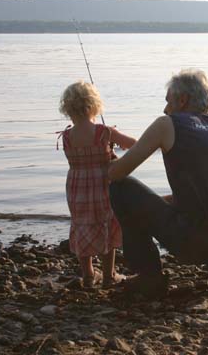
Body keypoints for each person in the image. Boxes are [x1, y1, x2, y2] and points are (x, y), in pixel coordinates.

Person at [108, 68, 208, 298]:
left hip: (198, 243)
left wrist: (109, 163)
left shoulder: (168, 124)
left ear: (182, 100)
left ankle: (150, 278)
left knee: (121, 189)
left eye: (168, 101)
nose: (165, 109)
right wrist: (155, 204)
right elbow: (206, 196)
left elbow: (116, 174)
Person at [59, 81, 136, 288]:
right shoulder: (104, 132)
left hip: (76, 188)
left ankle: (88, 275)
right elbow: (135, 145)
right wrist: (112, 148)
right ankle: (109, 275)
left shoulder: (66, 136)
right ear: (93, 105)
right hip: (102, 186)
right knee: (106, 224)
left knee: (82, 225)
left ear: (68, 108)